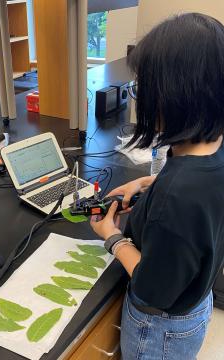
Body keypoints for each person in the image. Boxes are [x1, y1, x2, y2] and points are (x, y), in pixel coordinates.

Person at [90, 13, 224, 360]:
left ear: (174, 96)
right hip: (198, 300)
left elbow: (153, 288)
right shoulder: (215, 146)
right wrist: (151, 182)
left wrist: (111, 236)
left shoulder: (178, 193)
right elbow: (203, 194)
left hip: (160, 328)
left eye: (143, 87)